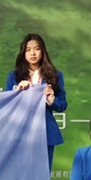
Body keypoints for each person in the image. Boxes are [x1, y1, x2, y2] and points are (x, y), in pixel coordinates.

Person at [5, 33, 66, 170]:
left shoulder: (55, 75)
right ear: (23, 53)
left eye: (37, 49)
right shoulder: (14, 77)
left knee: (43, 176)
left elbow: (62, 105)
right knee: (20, 175)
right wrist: (17, 91)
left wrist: (52, 100)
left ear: (43, 51)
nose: (32, 53)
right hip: (20, 132)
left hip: (46, 133)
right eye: (28, 50)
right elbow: (6, 105)